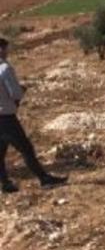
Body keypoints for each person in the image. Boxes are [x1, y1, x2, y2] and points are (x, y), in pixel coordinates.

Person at [0, 38, 68, 192]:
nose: (7, 52)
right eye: (5, 49)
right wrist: (21, 90)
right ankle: (44, 179)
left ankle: (5, 184)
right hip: (6, 118)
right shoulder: (5, 68)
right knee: (26, 149)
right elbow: (15, 93)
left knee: (0, 152)